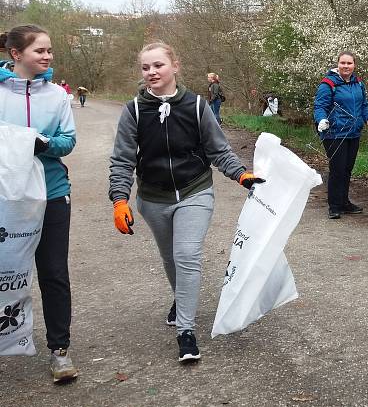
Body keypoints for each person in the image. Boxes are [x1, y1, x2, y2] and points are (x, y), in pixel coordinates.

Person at [108, 42, 263, 363]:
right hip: (153, 199)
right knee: (170, 257)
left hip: (195, 191)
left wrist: (240, 175)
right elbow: (122, 159)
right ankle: (182, 298)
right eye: (145, 67)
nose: (151, 72)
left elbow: (218, 149)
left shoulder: (196, 106)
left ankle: (186, 331)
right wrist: (119, 199)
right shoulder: (134, 110)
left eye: (158, 66)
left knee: (187, 254)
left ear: (175, 66)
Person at [0, 25, 78, 382]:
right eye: (40, 51)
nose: (47, 57)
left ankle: (59, 351)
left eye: (50, 51)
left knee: (53, 274)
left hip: (50, 195)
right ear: (16, 54)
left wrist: (42, 144)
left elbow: (68, 140)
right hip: (6, 197)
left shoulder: (58, 96)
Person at [313, 51, 368, 219]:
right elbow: (320, 106)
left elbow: (363, 105)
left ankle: (344, 202)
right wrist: (321, 120)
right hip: (334, 133)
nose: (346, 66)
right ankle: (334, 206)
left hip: (353, 132)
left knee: (347, 169)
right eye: (343, 63)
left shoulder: (358, 83)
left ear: (354, 65)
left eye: (349, 63)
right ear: (338, 64)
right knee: (338, 169)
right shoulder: (328, 84)